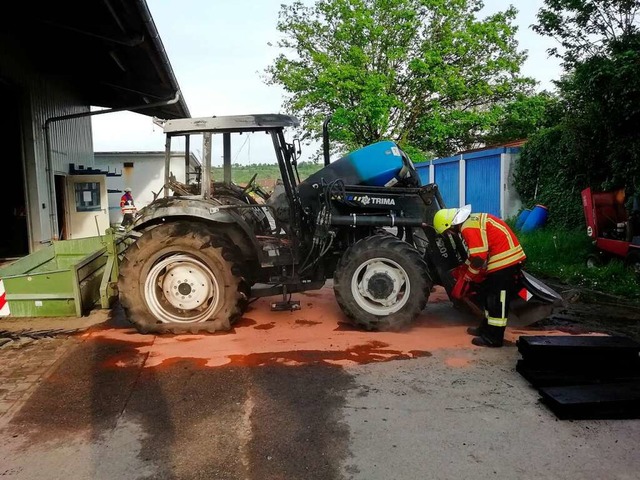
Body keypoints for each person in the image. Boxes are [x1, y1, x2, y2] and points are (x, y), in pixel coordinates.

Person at [433, 205, 527, 348]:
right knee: (488, 296)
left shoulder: (467, 227)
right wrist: (465, 268)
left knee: (497, 301)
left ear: (450, 224)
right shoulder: (471, 222)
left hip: (504, 262)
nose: (450, 234)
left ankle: (494, 339)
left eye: (448, 231)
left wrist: (469, 276)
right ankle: (485, 329)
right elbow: (476, 254)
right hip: (503, 260)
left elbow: (478, 257)